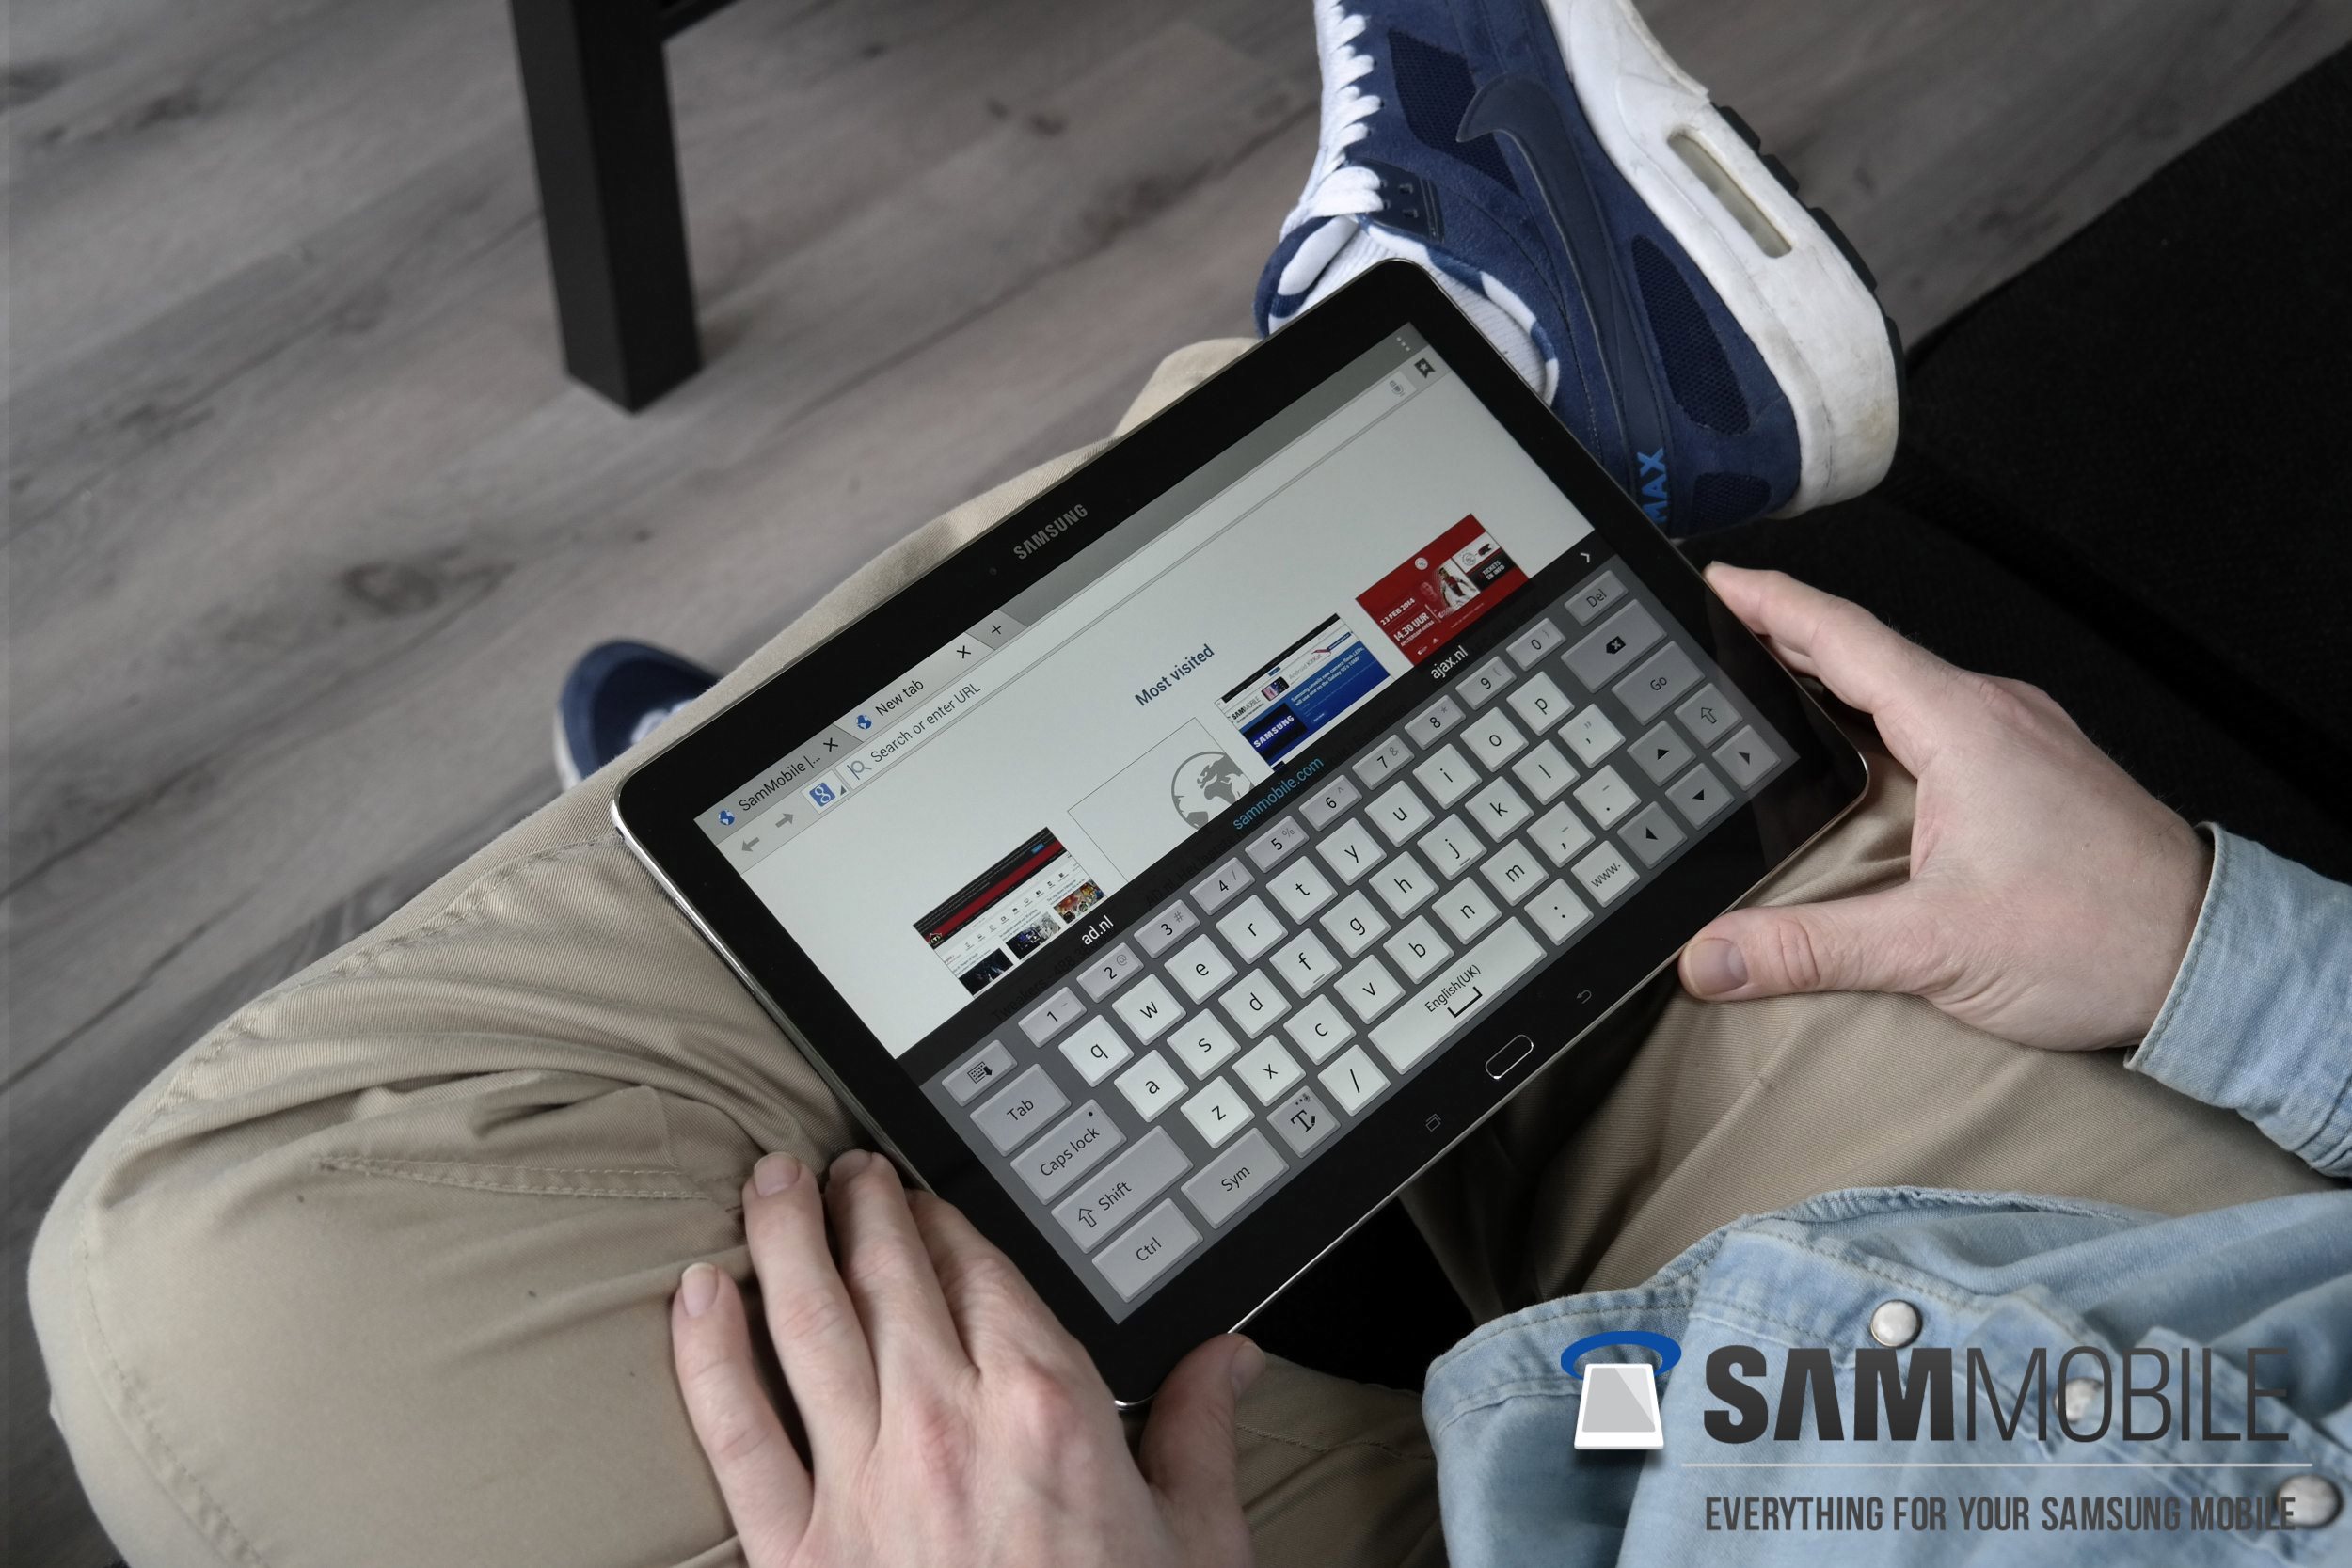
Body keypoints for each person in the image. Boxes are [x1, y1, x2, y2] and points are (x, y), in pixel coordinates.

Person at [31, 3, 2347, 1566]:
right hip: (2091, 1366)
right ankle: (1490, 407)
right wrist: (2225, 952)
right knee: (1525, 742)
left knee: (221, 1275)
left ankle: (1485, 380)